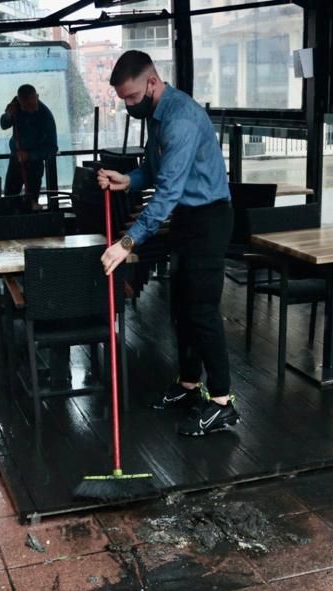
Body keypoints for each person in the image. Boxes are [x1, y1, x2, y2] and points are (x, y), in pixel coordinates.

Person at [97, 50, 238, 437]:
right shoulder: (157, 116)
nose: (127, 105)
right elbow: (154, 169)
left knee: (203, 310)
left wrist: (126, 243)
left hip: (209, 218)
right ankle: (189, 385)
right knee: (182, 306)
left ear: (152, 83)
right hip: (188, 219)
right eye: (122, 99)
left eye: (130, 97)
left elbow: (167, 193)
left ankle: (223, 402)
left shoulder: (181, 120)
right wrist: (128, 180)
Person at [0, 84, 57, 208]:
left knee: (30, 202)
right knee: (10, 198)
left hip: (34, 164)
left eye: (32, 105)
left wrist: (29, 155)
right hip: (16, 160)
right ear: (20, 101)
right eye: (25, 107)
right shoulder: (15, 107)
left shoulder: (45, 116)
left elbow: (52, 148)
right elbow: (4, 124)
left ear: (37, 97)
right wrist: (8, 115)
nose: (30, 109)